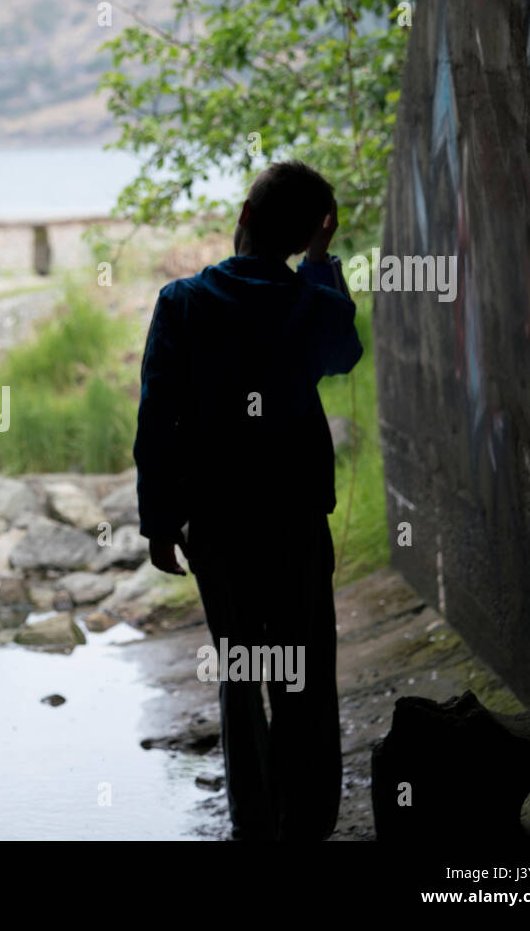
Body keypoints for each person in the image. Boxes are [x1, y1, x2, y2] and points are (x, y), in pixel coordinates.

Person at [134, 160, 363, 840]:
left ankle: (254, 824)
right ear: (306, 237)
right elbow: (344, 351)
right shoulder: (309, 302)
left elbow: (157, 422)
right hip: (294, 518)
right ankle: (309, 822)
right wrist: (322, 263)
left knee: (241, 673)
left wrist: (158, 522)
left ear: (243, 216)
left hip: (217, 526)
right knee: (306, 674)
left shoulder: (180, 303)